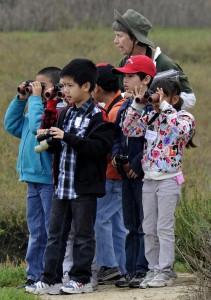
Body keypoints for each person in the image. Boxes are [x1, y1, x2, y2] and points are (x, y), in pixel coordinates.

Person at [26, 58, 114, 295]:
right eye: (63, 86)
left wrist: (66, 137)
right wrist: (51, 140)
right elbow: (60, 148)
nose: (64, 91)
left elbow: (97, 148)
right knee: (56, 234)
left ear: (86, 86)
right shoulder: (65, 114)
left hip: (83, 187)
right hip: (61, 185)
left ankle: (82, 279)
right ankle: (50, 278)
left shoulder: (98, 116)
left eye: (69, 86)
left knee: (83, 236)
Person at [122, 77, 196, 288]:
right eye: (154, 94)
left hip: (168, 180)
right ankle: (154, 269)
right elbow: (129, 130)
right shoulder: (150, 116)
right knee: (149, 228)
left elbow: (179, 133)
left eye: (162, 95)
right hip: (149, 180)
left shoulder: (184, 117)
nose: (156, 98)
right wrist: (137, 105)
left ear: (175, 98)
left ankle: (166, 270)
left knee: (164, 227)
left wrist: (164, 107)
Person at [4, 66, 61, 287]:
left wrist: (37, 100)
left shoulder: (54, 114)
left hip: (48, 181)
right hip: (32, 180)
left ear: (55, 89)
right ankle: (33, 275)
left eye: (42, 86)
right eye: (35, 85)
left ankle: (49, 275)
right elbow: (10, 125)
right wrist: (21, 98)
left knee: (49, 230)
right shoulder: (32, 113)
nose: (37, 89)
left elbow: (41, 129)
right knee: (36, 231)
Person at [111, 55, 157, 288]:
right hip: (125, 173)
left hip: (144, 175)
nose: (125, 81)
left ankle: (143, 268)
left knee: (144, 224)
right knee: (130, 224)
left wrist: (136, 165)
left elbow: (153, 141)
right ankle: (129, 270)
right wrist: (119, 159)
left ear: (147, 78)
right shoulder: (127, 106)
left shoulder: (153, 107)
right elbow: (118, 136)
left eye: (130, 76)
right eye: (124, 76)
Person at [112, 9, 196, 110]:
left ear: (136, 39)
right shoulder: (124, 63)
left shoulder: (165, 64)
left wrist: (158, 101)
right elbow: (117, 95)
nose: (115, 41)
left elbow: (190, 99)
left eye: (119, 36)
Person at [92, 63, 127, 284]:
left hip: (112, 175)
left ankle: (109, 265)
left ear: (96, 87)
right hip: (117, 175)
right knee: (116, 223)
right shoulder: (117, 105)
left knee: (100, 218)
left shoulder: (114, 111)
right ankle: (123, 267)